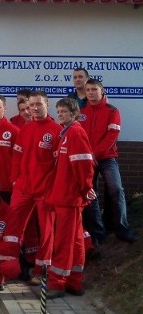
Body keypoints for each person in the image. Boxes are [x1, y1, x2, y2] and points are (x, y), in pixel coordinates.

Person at [44, 98, 96, 299]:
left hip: (70, 198)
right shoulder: (65, 133)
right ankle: (75, 280)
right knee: (75, 240)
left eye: (64, 111)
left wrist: (85, 190)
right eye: (58, 111)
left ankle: (57, 283)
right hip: (66, 197)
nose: (60, 114)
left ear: (75, 114)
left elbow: (83, 165)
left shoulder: (76, 133)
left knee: (65, 241)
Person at [10, 91, 60, 283]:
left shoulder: (55, 130)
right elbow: (17, 156)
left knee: (46, 232)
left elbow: (58, 164)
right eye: (32, 105)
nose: (35, 108)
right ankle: (9, 268)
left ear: (47, 104)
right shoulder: (25, 129)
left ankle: (41, 271)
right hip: (22, 188)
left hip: (45, 191)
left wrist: (52, 186)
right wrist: (15, 179)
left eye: (39, 104)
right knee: (13, 228)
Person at [81, 79, 137, 243]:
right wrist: (87, 156)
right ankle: (97, 231)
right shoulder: (82, 111)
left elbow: (111, 137)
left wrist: (94, 154)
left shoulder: (112, 111)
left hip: (107, 158)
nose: (91, 92)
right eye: (88, 90)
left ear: (102, 91)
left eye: (94, 89)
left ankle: (122, 228)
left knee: (116, 190)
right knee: (90, 194)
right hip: (87, 160)